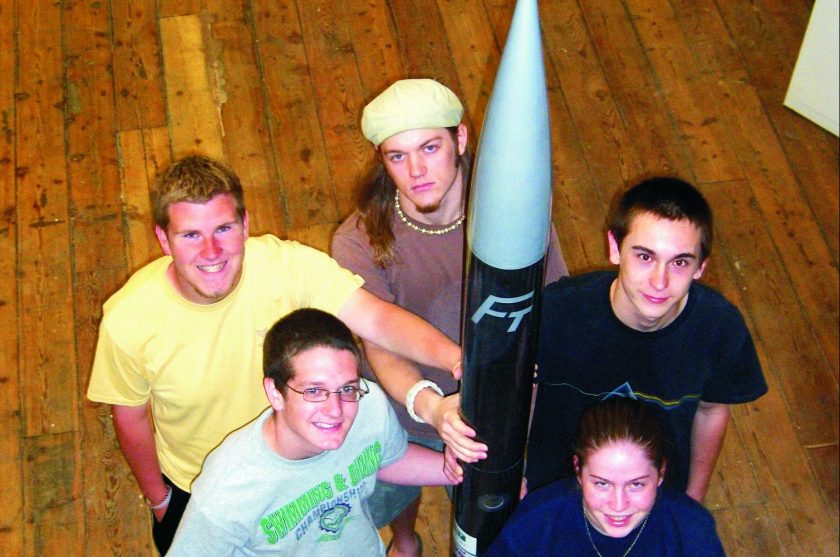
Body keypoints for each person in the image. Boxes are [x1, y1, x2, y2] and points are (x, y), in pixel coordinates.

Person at [85, 154, 461, 555]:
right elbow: (130, 416)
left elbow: (378, 320)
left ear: (245, 225)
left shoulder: (285, 265)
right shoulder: (128, 320)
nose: (211, 251)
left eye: (224, 228)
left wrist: (457, 360)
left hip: (308, 457)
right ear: (164, 239)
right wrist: (160, 500)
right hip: (197, 485)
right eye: (190, 235)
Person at [331, 78, 569, 556]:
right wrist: (433, 407)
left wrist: (523, 432)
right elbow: (378, 343)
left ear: (460, 139)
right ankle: (405, 541)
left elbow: (550, 305)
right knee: (395, 497)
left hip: (502, 419)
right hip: (409, 415)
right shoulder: (356, 242)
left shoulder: (515, 209)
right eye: (397, 156)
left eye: (430, 147)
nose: (416, 170)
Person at [526, 177, 767, 502]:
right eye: (644, 257)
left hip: (656, 497)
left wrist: (693, 500)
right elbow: (518, 392)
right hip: (555, 491)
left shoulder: (720, 328)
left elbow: (711, 412)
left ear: (701, 267)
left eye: (680, 262)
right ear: (615, 248)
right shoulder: (556, 311)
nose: (659, 281)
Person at [167, 308, 462, 556]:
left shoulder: (368, 402)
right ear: (275, 393)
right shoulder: (227, 491)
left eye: (346, 388)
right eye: (314, 391)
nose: (336, 409)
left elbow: (386, 458)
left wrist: (456, 468)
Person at [486, 396, 726, 556]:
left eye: (636, 485)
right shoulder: (534, 523)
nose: (618, 505)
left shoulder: (692, 529)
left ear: (661, 473)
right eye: (602, 484)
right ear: (578, 470)